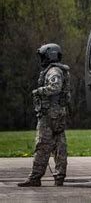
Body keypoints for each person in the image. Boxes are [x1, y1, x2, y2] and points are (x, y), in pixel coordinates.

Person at [18, 43, 71, 187]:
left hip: (49, 114)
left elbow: (55, 87)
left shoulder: (53, 71)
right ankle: (59, 176)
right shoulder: (59, 70)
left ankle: (35, 177)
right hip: (58, 113)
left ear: (49, 55)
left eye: (43, 56)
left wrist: (39, 91)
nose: (41, 59)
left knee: (42, 145)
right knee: (59, 145)